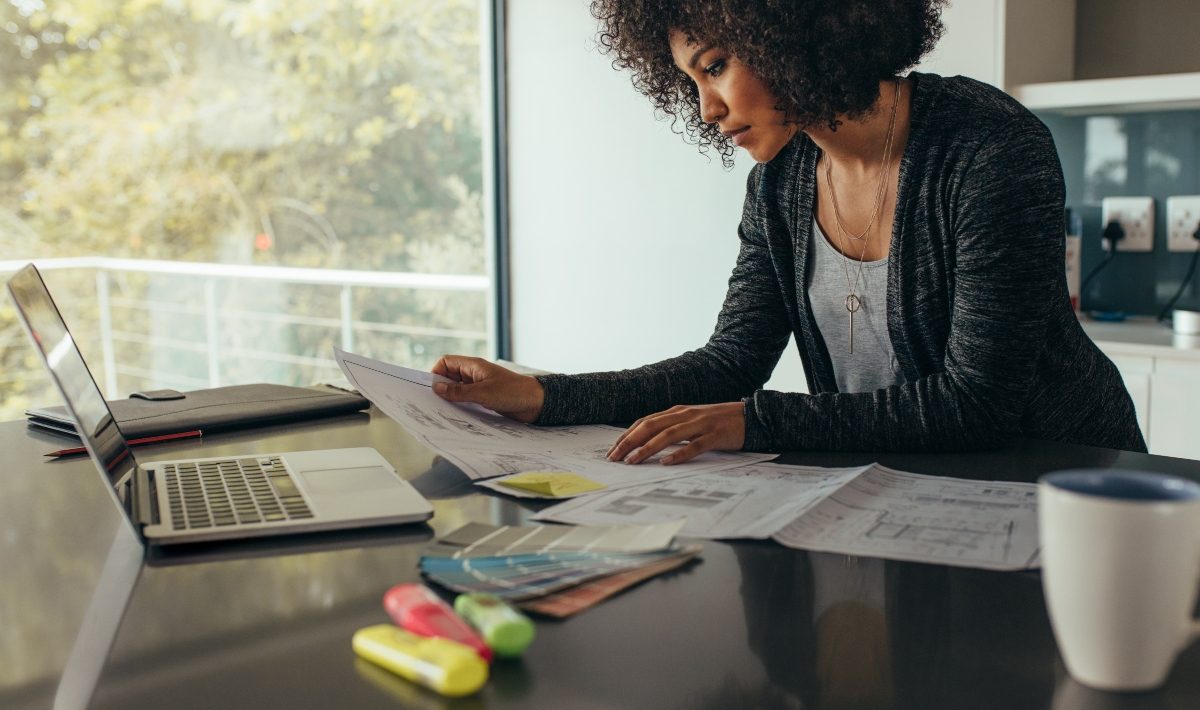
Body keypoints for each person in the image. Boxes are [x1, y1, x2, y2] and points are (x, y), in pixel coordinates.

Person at [432, 0, 1146, 464]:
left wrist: (756, 423)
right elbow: (728, 364)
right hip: (913, 487)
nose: (707, 108)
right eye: (689, 81)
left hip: (1067, 482)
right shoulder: (780, 184)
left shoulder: (990, 147)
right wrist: (542, 396)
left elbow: (977, 401)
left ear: (795, 29)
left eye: (716, 66)